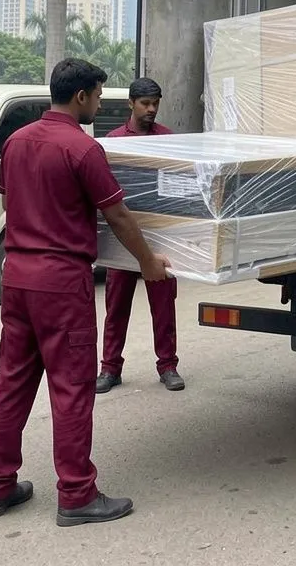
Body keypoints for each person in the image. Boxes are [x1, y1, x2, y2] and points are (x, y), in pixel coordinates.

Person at [0, 59, 171, 527]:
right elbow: (120, 216)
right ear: (82, 95)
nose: (101, 103)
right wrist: (148, 263)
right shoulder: (83, 150)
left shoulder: (17, 142)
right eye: (99, 95)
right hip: (61, 283)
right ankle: (77, 495)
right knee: (71, 388)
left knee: (11, 384)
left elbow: (10, 201)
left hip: (17, 278)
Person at [96, 77, 185, 394]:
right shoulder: (113, 141)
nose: (151, 109)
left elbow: (176, 189)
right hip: (124, 235)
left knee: (163, 304)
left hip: (158, 236)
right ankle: (109, 369)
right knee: (116, 306)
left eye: (155, 104)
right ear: (130, 104)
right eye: (145, 104)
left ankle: (168, 366)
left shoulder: (168, 139)